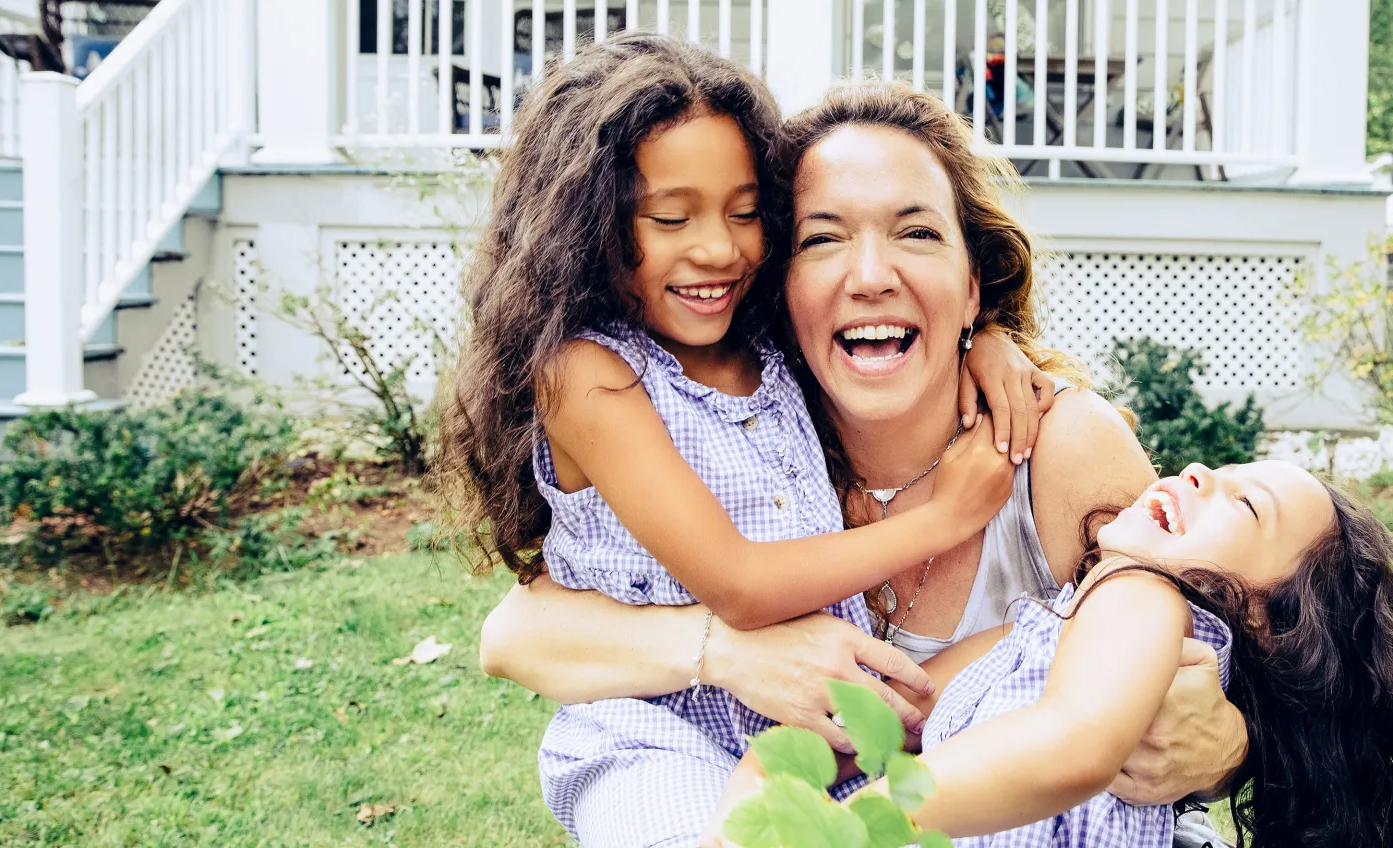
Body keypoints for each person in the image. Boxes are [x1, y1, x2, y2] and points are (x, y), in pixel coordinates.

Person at [479, 78, 1250, 846]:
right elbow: (516, 634)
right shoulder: (749, 425)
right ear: (778, 285)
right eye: (822, 239)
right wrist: (729, 652)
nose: (871, 275)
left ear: (973, 278)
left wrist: (1232, 749)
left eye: (917, 234)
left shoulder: (1055, 446)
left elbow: (1237, 659)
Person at [437, 40, 1050, 847]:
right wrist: (943, 517)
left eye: (745, 210)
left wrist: (984, 339)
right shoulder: (590, 376)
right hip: (650, 739)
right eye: (670, 216)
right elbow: (743, 587)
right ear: (590, 224)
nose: (719, 249)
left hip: (808, 734)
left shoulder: (762, 347)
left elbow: (871, 325)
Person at [716, 462, 1393, 848]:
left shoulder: (1154, 605)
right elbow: (875, 717)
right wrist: (759, 787)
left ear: (1268, 625)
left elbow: (1072, 744)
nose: (1197, 473)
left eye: (1244, 504)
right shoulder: (1036, 629)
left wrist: (849, 825)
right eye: (1218, 470)